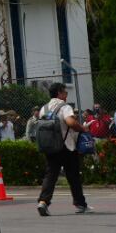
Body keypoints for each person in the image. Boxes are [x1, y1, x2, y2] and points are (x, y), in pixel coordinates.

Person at [35, 83, 92, 216]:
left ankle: (43, 202)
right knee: (73, 176)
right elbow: (71, 122)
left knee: (50, 175)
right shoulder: (65, 107)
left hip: (50, 146)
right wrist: (82, 128)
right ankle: (80, 204)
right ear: (59, 93)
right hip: (67, 146)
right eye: (65, 92)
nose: (66, 95)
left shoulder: (44, 108)